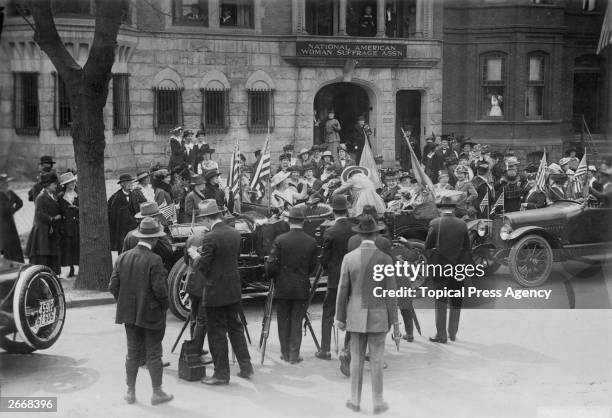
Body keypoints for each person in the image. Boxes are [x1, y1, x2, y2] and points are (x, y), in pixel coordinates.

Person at [335, 215, 399, 414]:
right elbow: (391, 294)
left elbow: (342, 290)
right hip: (379, 317)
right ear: (376, 234)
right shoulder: (385, 259)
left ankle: (354, 400)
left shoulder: (349, 258)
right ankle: (378, 402)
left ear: (360, 235)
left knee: (356, 360)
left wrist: (340, 317)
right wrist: (394, 321)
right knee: (378, 361)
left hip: (355, 316)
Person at [108, 217, 173, 406]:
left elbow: (113, 287)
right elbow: (160, 290)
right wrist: (164, 306)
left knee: (132, 353)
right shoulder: (155, 259)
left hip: (128, 314)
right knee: (154, 353)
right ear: (153, 239)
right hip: (152, 314)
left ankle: (130, 391)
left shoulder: (123, 257)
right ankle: (157, 392)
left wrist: (124, 302)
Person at [187, 200, 253, 384]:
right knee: (236, 329)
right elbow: (227, 260)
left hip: (215, 292)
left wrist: (196, 256)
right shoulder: (234, 233)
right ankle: (246, 367)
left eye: (203, 220)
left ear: (208, 218)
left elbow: (205, 267)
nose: (203, 223)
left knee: (216, 333)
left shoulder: (210, 237)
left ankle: (221, 374)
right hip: (232, 289)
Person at [267, 206, 318, 364]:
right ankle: (294, 355)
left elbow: (272, 266)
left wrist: (272, 276)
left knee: (283, 320)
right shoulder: (311, 241)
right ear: (303, 222)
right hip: (301, 286)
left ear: (289, 221)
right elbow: (313, 267)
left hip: (282, 286)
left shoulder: (280, 240)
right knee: (297, 320)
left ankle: (285, 353)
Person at [425, 197, 472, 344]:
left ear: (441, 209)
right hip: (458, 267)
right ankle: (452, 333)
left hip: (440, 266)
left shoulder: (434, 223)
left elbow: (427, 246)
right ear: (454, 209)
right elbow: (467, 248)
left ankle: (441, 335)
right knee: (456, 300)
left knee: (440, 301)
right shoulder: (462, 224)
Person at [316, 195, 355, 361]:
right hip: (353, 276)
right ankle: (347, 349)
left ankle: (325, 349)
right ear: (347, 210)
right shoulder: (356, 228)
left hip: (335, 278)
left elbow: (324, 258)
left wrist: (327, 269)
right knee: (352, 312)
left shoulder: (330, 231)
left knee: (328, 313)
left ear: (333, 211)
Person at [183, 202, 214, 364]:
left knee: (194, 317)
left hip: (191, 280)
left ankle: (195, 347)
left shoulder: (192, 237)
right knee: (202, 319)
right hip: (203, 282)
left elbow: (185, 259)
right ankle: (196, 352)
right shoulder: (210, 238)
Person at [26, 172, 61, 274]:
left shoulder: (52, 196)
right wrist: (52, 219)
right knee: (43, 253)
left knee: (50, 252)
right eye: (54, 184)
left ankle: (51, 274)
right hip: (42, 231)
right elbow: (39, 214)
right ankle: (42, 274)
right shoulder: (41, 197)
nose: (56, 186)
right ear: (48, 185)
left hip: (49, 230)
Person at [122, 202, 174, 271]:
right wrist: (161, 233)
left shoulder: (129, 235)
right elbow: (168, 253)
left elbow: (124, 258)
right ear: (155, 218)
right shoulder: (156, 235)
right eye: (157, 217)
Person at [108, 174, 138, 252]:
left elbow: (137, 211)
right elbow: (112, 216)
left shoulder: (134, 195)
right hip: (121, 230)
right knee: (123, 250)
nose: (131, 184)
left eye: (131, 182)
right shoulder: (115, 197)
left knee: (134, 249)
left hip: (134, 228)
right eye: (129, 182)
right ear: (122, 184)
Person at [58, 172, 79, 277]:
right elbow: (59, 211)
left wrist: (77, 209)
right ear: (65, 185)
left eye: (74, 182)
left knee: (78, 245)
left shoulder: (79, 194)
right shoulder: (61, 197)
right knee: (69, 247)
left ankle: (81, 267)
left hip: (78, 224)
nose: (73, 184)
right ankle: (71, 268)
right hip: (67, 226)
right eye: (70, 183)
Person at [0, 173, 24, 262]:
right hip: (2, 225)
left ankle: (18, 263)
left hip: (10, 222)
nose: (6, 185)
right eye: (4, 184)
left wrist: (13, 210)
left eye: (7, 183)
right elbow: (4, 211)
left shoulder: (10, 193)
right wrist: (10, 201)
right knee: (6, 245)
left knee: (14, 243)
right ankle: (8, 264)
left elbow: (20, 202)